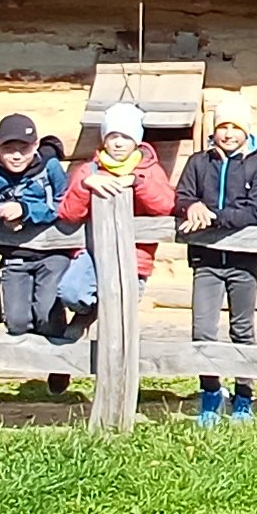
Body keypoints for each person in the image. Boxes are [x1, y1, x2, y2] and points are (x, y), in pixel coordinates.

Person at [58, 102, 176, 399]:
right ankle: (84, 319)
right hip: (93, 253)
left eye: (125, 137)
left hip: (133, 260)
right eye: (112, 136)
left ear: (136, 140)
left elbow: (165, 205)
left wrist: (135, 182)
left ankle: (115, 392)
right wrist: (86, 184)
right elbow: (68, 213)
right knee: (71, 292)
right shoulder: (90, 169)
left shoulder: (149, 169)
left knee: (119, 321)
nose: (118, 143)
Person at [176, 99, 257, 425]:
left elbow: (253, 212)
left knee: (242, 330)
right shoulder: (199, 163)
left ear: (246, 131)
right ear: (214, 130)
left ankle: (244, 396)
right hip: (206, 260)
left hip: (244, 262)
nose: (228, 134)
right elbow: (183, 195)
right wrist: (190, 207)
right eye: (223, 127)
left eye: (235, 128)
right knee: (203, 330)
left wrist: (212, 216)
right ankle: (211, 392)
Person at [0, 112, 72, 378]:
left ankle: (58, 363)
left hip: (52, 254)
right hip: (14, 256)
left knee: (46, 314)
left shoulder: (50, 170)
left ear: (35, 146)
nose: (15, 156)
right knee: (16, 321)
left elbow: (64, 204)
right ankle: (36, 360)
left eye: (22, 149)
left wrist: (25, 209)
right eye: (8, 149)